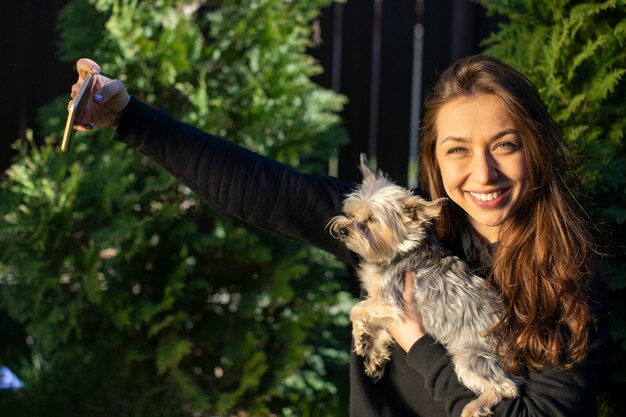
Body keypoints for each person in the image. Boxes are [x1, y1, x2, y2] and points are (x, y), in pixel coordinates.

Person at [69, 55, 609, 416]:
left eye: (505, 145)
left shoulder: (567, 277)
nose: (483, 173)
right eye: (458, 149)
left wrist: (418, 347)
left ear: (535, 150)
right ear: (435, 161)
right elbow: (262, 189)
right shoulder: (395, 228)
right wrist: (130, 119)